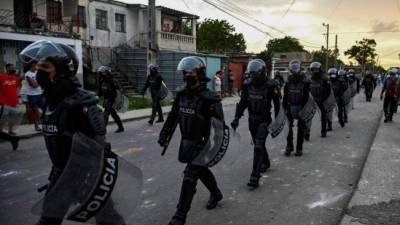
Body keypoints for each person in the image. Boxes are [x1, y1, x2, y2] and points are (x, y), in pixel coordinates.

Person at [20, 40, 125, 225]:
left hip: (86, 177)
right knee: (48, 220)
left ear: (62, 69)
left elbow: (100, 146)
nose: (39, 70)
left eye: (45, 66)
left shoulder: (82, 103)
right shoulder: (50, 102)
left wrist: (92, 178)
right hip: (60, 176)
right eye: (38, 66)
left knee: (109, 220)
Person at [158, 56, 225, 225]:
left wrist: (215, 149)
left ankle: (179, 216)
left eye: (191, 72)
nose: (188, 75)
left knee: (190, 176)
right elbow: (173, 117)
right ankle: (216, 193)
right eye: (185, 72)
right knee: (201, 171)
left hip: (202, 143)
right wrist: (164, 133)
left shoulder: (210, 98)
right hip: (186, 142)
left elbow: (220, 127)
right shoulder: (181, 95)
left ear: (200, 73)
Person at [231, 59, 280, 187]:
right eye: (251, 73)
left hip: (264, 120)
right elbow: (243, 103)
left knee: (258, 144)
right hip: (252, 120)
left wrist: (278, 121)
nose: (253, 76)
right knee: (258, 144)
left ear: (262, 72)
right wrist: (236, 118)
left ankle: (255, 175)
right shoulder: (247, 85)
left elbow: (277, 105)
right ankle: (266, 161)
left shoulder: (271, 85)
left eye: (255, 73)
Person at [283, 60, 311, 157]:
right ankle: (289, 147)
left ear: (300, 69)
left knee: (301, 128)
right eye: (293, 69)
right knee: (288, 128)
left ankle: (299, 148)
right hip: (290, 106)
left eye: (296, 69)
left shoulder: (305, 81)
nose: (294, 71)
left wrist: (305, 109)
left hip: (301, 107)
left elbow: (308, 96)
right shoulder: (288, 81)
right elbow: (285, 95)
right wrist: (284, 107)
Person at [98, 66, 124, 133]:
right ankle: (121, 127)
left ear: (107, 72)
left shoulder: (113, 80)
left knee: (105, 114)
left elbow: (119, 89)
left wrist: (118, 98)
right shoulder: (102, 81)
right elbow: (100, 91)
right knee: (113, 114)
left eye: (103, 72)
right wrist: (97, 96)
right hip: (106, 100)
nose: (102, 73)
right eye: (101, 72)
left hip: (112, 100)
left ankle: (102, 130)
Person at [0, 64, 20, 150]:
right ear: (7, 68)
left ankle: (11, 133)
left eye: (14, 67)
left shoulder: (15, 78)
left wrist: (17, 98)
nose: (14, 69)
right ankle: (7, 136)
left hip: (13, 101)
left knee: (12, 118)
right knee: (3, 119)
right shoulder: (1, 76)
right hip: (4, 102)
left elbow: (17, 88)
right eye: (12, 67)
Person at [309, 62, 331, 138]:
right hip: (312, 100)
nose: (315, 71)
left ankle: (323, 131)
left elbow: (328, 91)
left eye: (316, 69)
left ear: (320, 69)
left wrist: (324, 99)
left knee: (323, 115)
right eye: (313, 69)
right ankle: (306, 132)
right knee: (308, 116)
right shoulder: (310, 79)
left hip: (322, 99)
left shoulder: (324, 79)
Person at [25, 61, 44, 131]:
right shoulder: (28, 74)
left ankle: (43, 123)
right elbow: (34, 85)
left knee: (44, 109)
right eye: (35, 66)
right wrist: (38, 82)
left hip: (39, 94)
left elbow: (40, 82)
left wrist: (37, 82)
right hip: (32, 95)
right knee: (35, 111)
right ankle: (36, 126)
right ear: (32, 67)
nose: (37, 67)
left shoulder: (37, 72)